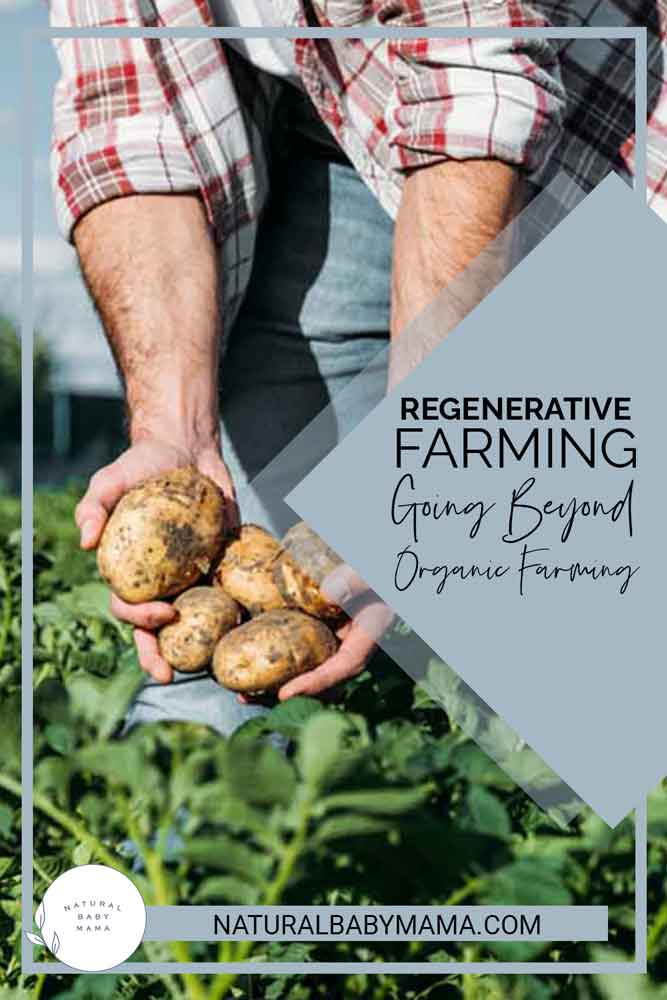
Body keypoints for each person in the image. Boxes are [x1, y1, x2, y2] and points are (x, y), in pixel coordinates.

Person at [49, 0, 666, 735]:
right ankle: (192, 834)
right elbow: (128, 122)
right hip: (335, 127)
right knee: (218, 673)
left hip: (611, 120)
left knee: (570, 666)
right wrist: (172, 433)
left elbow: (472, 82)